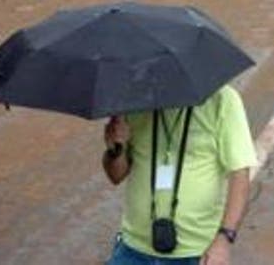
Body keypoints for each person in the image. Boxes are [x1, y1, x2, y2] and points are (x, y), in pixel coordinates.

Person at [102, 83, 258, 264]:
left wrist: (224, 239)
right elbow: (116, 175)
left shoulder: (222, 99)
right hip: (133, 248)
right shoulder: (134, 101)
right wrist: (115, 149)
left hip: (196, 252)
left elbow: (240, 175)